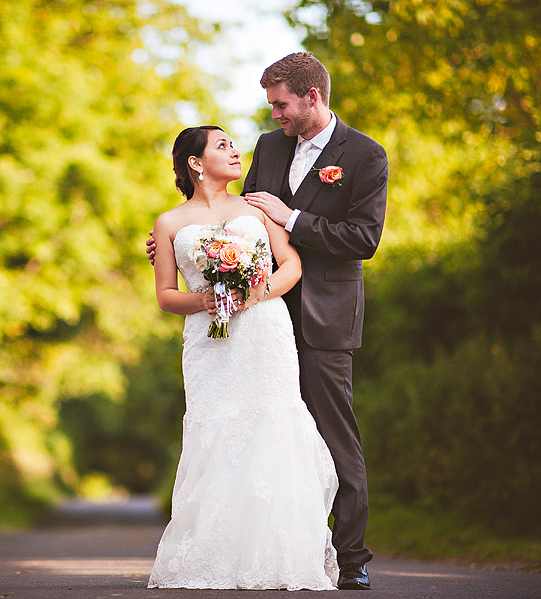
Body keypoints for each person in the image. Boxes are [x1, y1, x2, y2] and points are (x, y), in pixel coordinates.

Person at [147, 52, 387, 590]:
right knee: (264, 432)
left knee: (331, 435)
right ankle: (272, 545)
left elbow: (363, 239)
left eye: (280, 105)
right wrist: (186, 246)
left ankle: (352, 558)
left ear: (312, 98)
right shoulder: (272, 146)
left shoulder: (366, 155)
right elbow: (237, 217)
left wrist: (294, 218)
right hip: (255, 325)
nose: (273, 115)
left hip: (323, 314)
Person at [146, 125, 339, 591]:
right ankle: (215, 553)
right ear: (196, 163)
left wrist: (254, 295)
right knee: (217, 428)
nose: (235, 152)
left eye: (234, 144)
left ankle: (278, 554)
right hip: (209, 341)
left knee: (272, 424)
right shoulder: (169, 223)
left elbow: (290, 264)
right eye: (223, 146)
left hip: (264, 332)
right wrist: (207, 302)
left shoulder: (257, 205)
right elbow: (167, 296)